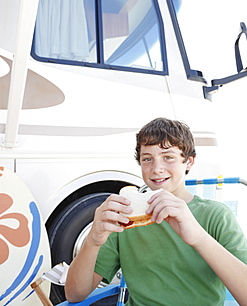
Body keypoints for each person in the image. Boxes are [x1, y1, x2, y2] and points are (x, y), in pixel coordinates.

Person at [65, 117, 247, 305]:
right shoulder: (125, 217)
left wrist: (198, 237)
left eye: (168, 157)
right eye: (147, 159)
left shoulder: (216, 215)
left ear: (189, 162)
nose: (156, 169)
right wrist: (93, 241)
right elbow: (74, 294)